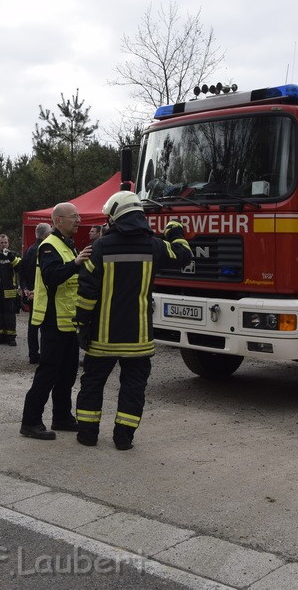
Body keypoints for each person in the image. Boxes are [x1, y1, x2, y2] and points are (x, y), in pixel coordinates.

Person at [73, 191, 192, 450]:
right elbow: (183, 257)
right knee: (133, 388)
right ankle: (123, 438)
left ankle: (87, 434)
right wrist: (174, 231)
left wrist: (82, 324)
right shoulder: (153, 245)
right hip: (139, 339)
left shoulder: (101, 247)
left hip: (103, 338)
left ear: (116, 216)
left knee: (93, 384)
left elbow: (87, 291)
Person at [19, 205, 92, 440]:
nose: (79, 220)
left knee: (68, 373)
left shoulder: (68, 244)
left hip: (68, 320)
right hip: (53, 320)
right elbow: (51, 277)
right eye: (75, 217)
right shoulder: (49, 245)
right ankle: (30, 422)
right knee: (48, 372)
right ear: (59, 220)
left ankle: (61, 416)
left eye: (79, 216)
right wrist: (75, 264)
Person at [19, 223, 52, 365]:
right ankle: (43, 354)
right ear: (45, 235)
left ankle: (33, 354)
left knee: (33, 325)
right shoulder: (46, 250)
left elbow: (22, 271)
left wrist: (25, 288)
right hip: (42, 294)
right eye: (50, 233)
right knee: (45, 325)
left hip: (31, 293)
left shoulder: (29, 250)